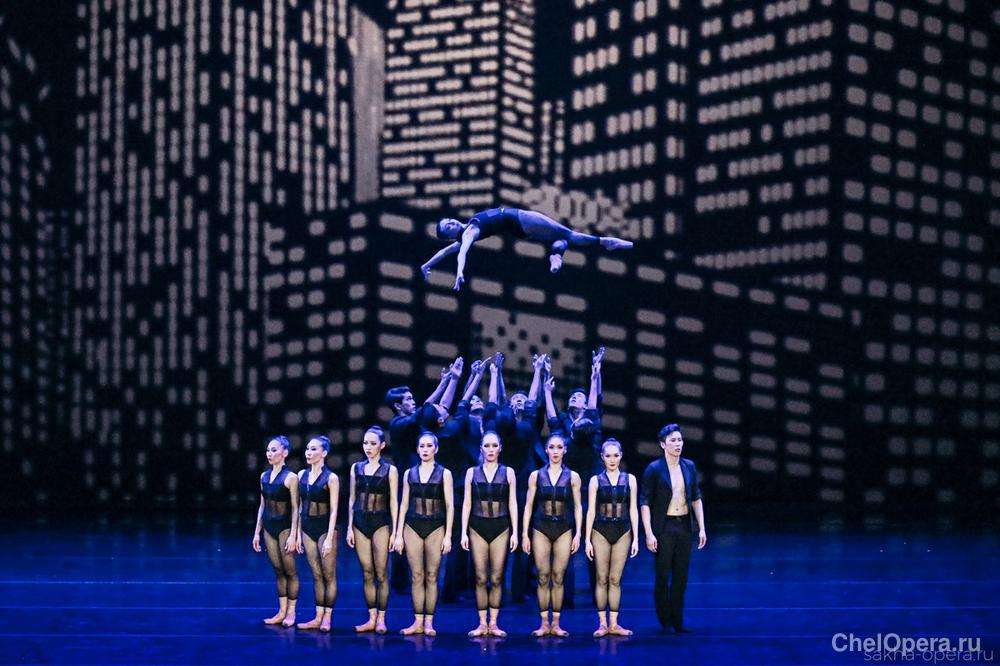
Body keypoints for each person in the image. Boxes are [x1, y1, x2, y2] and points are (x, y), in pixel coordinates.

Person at [421, 207, 634, 291]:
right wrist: (459, 272)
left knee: (561, 240)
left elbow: (444, 252)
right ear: (449, 235)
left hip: (521, 229)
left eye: (448, 220)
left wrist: (425, 265)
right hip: (520, 218)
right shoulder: (469, 232)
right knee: (567, 234)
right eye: (448, 227)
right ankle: (605, 242)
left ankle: (556, 256)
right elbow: (461, 253)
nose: (451, 223)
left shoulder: (466, 230)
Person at [486, 351, 547, 603]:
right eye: (516, 399)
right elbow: (498, 403)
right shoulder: (511, 427)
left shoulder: (527, 426)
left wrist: (537, 372)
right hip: (507, 488)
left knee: (523, 537)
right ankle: (500, 585)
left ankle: (518, 587)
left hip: (523, 487)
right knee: (506, 537)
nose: (520, 401)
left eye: (522, 399)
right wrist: (497, 374)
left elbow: (531, 403)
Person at [640, 424, 707, 633]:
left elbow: (696, 497)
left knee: (681, 575)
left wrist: (702, 528)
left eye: (679, 440)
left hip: (684, 525)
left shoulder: (689, 466)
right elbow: (644, 502)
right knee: (662, 574)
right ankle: (664, 619)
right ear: (663, 444)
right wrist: (649, 532)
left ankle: (677, 620)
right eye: (673, 441)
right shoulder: (654, 469)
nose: (678, 444)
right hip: (664, 526)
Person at [393, 431, 454, 636]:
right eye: (422, 446)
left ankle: (429, 622)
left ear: (436, 449)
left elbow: (450, 506)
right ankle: (417, 621)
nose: (425, 449)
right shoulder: (409, 473)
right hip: (412, 526)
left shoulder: (444, 473)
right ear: (417, 450)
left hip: (436, 527)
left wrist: (448, 535)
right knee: (417, 576)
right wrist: (398, 534)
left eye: (429, 446)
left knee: (432, 576)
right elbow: (403, 504)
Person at [522, 431, 582, 637]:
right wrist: (524, 534)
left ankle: (555, 623)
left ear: (565, 450)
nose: (555, 451)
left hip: (564, 528)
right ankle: (543, 623)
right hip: (541, 527)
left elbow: (578, 507)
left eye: (559, 447)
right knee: (542, 576)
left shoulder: (573, 476)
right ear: (546, 450)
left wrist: (578, 533)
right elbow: (528, 505)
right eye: (552, 447)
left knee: (558, 577)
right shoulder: (536, 475)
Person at [461, 431, 519, 637]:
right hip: (477, 526)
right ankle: (481, 623)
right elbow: (467, 503)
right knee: (480, 577)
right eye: (487, 446)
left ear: (500, 448)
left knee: (496, 577)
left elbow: (513, 503)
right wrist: (463, 532)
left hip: (501, 527)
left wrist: (516, 532)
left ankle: (493, 623)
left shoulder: (508, 472)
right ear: (481, 448)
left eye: (494, 445)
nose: (491, 449)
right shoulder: (471, 472)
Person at [347, 426, 399, 634]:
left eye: (372, 443)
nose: (368, 447)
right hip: (360, 523)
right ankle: (371, 617)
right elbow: (352, 498)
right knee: (367, 573)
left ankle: (382, 619)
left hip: (381, 524)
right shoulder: (356, 468)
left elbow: (394, 501)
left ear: (382, 446)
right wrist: (349, 527)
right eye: (365, 443)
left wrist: (396, 532)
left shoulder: (390, 470)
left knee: (381, 573)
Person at [585, 438, 639, 637]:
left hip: (623, 531)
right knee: (601, 578)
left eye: (616, 455)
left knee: (615, 579)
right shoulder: (595, 481)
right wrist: (586, 539)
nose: (612, 459)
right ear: (602, 457)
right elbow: (591, 510)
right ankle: (602, 624)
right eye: (608, 456)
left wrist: (636, 537)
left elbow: (633, 509)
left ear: (621, 456)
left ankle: (614, 624)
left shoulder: (630, 480)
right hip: (600, 531)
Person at [251, 436, 301, 627]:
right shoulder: (264, 476)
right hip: (269, 527)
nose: (269, 454)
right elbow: (262, 505)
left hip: (285, 528)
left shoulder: (291, 477)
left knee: (290, 571)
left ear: (284, 453)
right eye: (268, 450)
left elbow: (296, 508)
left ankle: (291, 612)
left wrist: (293, 535)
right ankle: (281, 611)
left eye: (274, 450)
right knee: (278, 571)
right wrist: (257, 532)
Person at [295, 436, 339, 631]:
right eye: (307, 448)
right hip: (307, 528)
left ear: (324, 453)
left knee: (328, 574)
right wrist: (297, 534)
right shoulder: (301, 475)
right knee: (316, 575)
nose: (309, 452)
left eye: (313, 449)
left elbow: (334, 510)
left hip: (324, 529)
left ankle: (327, 617)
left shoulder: (331, 478)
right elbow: (298, 507)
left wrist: (329, 537)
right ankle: (318, 616)